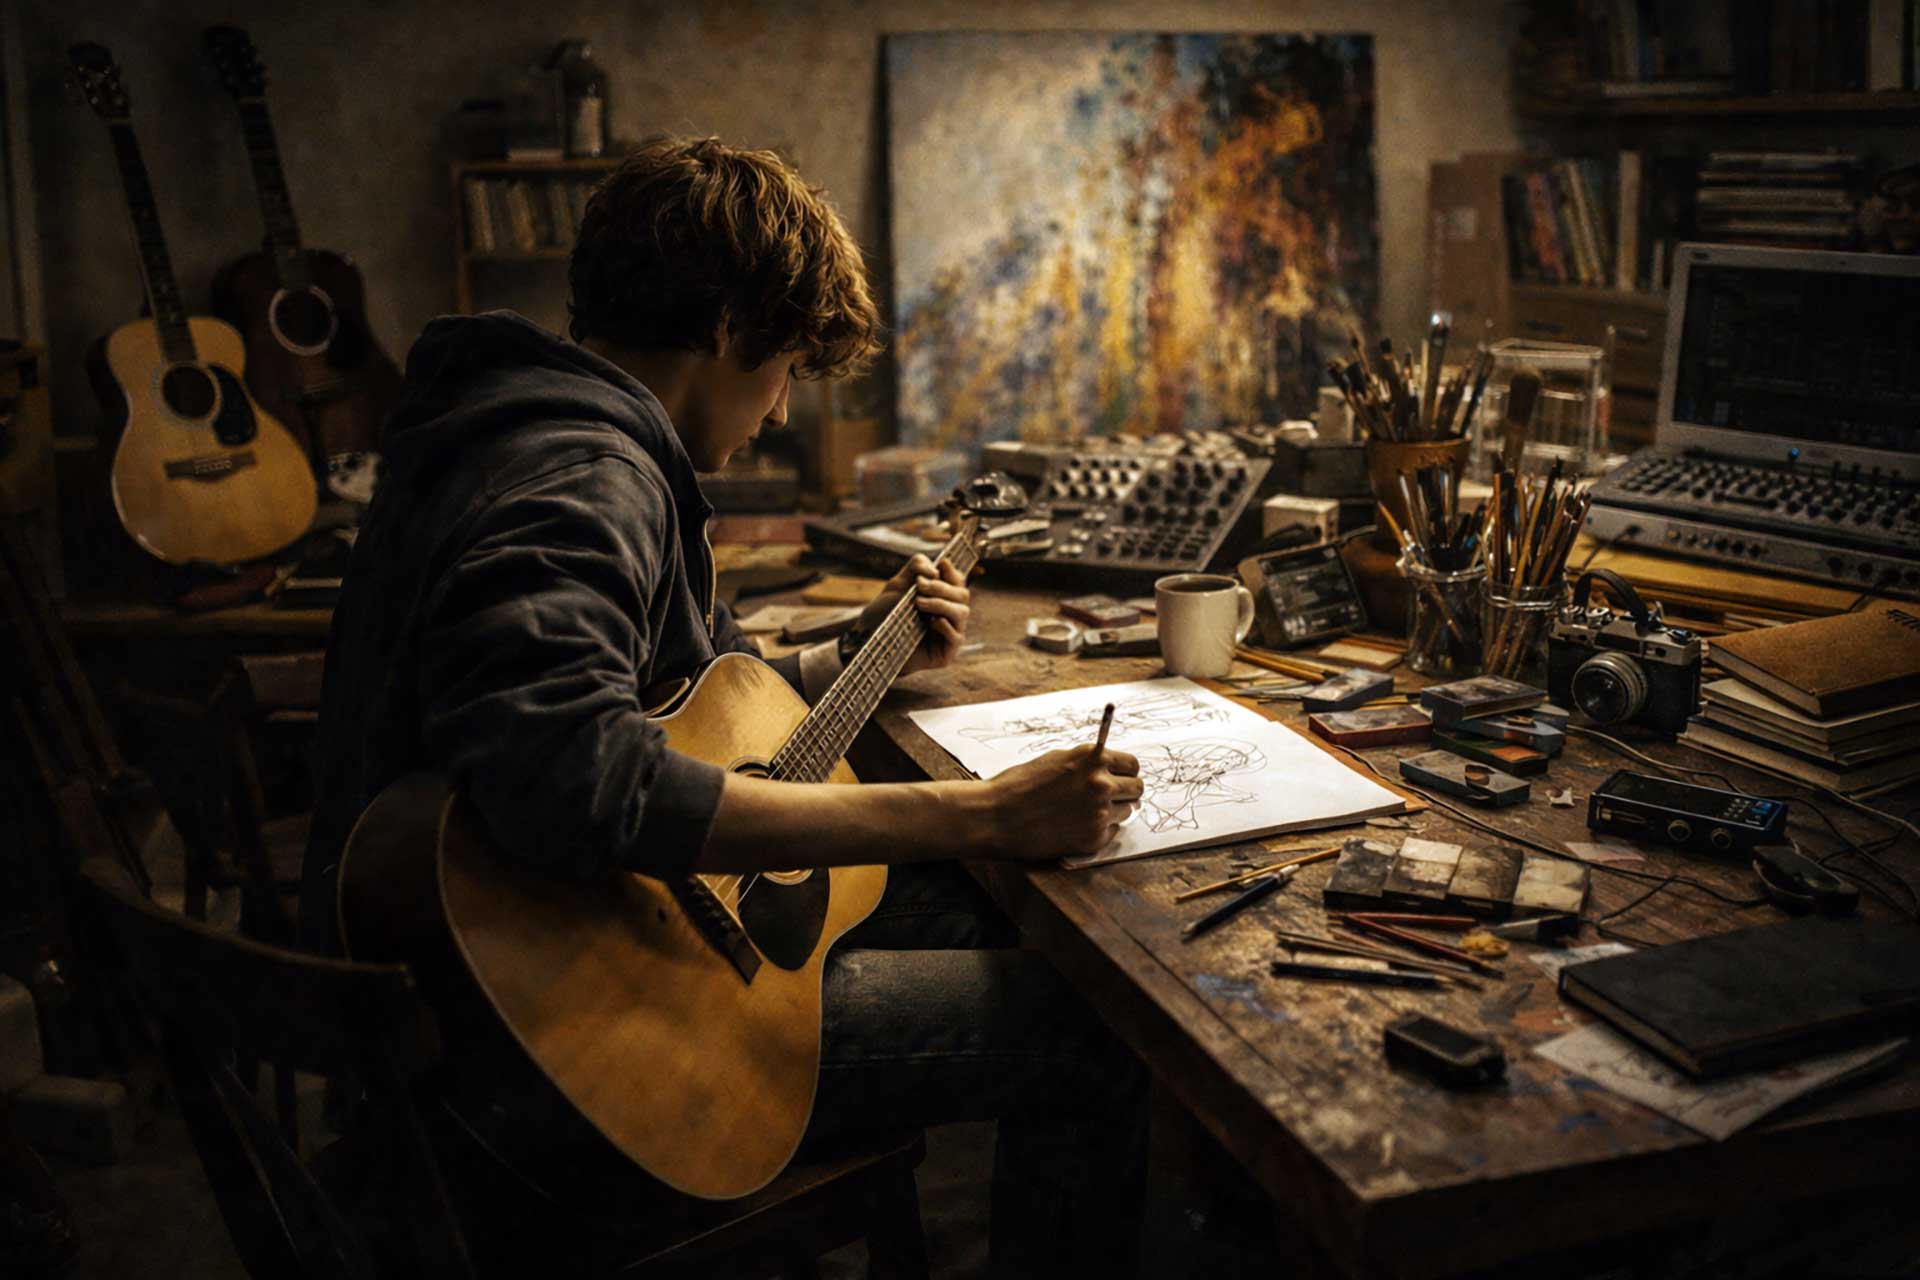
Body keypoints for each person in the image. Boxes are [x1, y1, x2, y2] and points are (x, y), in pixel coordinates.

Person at [301, 135, 1149, 1275]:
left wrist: (854, 652)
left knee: (970, 916)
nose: (784, 406)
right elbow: (579, 774)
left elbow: (681, 700)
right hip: (560, 1049)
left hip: (544, 966)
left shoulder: (515, 423)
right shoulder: (585, 473)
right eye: (785, 364)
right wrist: (981, 813)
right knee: (1096, 1026)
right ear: (720, 325)